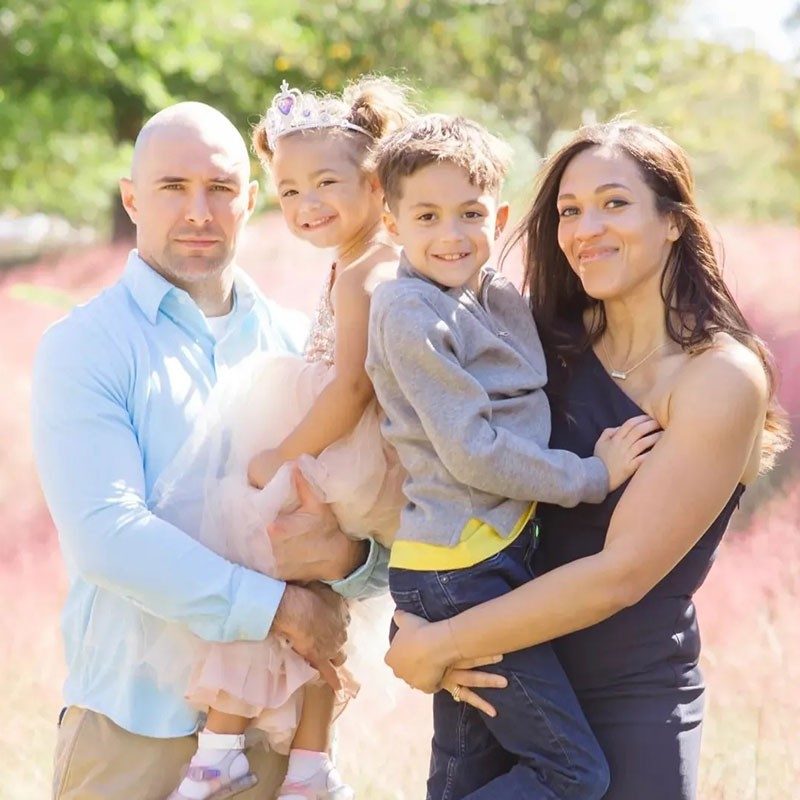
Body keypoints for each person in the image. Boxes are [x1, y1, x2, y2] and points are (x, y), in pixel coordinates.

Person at [382, 119, 791, 800]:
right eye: (569, 210)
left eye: (614, 203)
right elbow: (431, 457)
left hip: (628, 706)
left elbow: (618, 576)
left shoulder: (718, 378)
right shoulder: (542, 343)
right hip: (507, 681)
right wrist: (412, 614)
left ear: (673, 223)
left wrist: (439, 642)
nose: (584, 228)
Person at [30, 101, 389, 800]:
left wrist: (350, 561)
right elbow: (107, 535)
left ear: (250, 200)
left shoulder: (307, 346)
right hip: (134, 740)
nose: (200, 210)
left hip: (282, 746)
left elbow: (374, 521)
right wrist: (278, 607)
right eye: (172, 188)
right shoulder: (86, 346)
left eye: (221, 188)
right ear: (132, 200)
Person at [365, 114, 661, 800]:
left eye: (470, 214)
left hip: (488, 559)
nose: (451, 235)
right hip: (457, 573)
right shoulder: (408, 312)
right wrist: (592, 477)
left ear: (497, 215)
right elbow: (472, 453)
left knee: (467, 772)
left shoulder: (496, 295)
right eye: (428, 216)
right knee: (573, 774)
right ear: (392, 224)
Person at [150, 77, 416, 800]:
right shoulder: (354, 263)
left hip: (345, 450)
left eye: (325, 183)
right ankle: (308, 764)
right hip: (345, 448)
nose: (306, 206)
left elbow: (353, 386)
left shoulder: (371, 267)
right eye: (290, 191)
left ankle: (221, 745)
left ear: (374, 180)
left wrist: (281, 454)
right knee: (313, 590)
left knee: (255, 552)